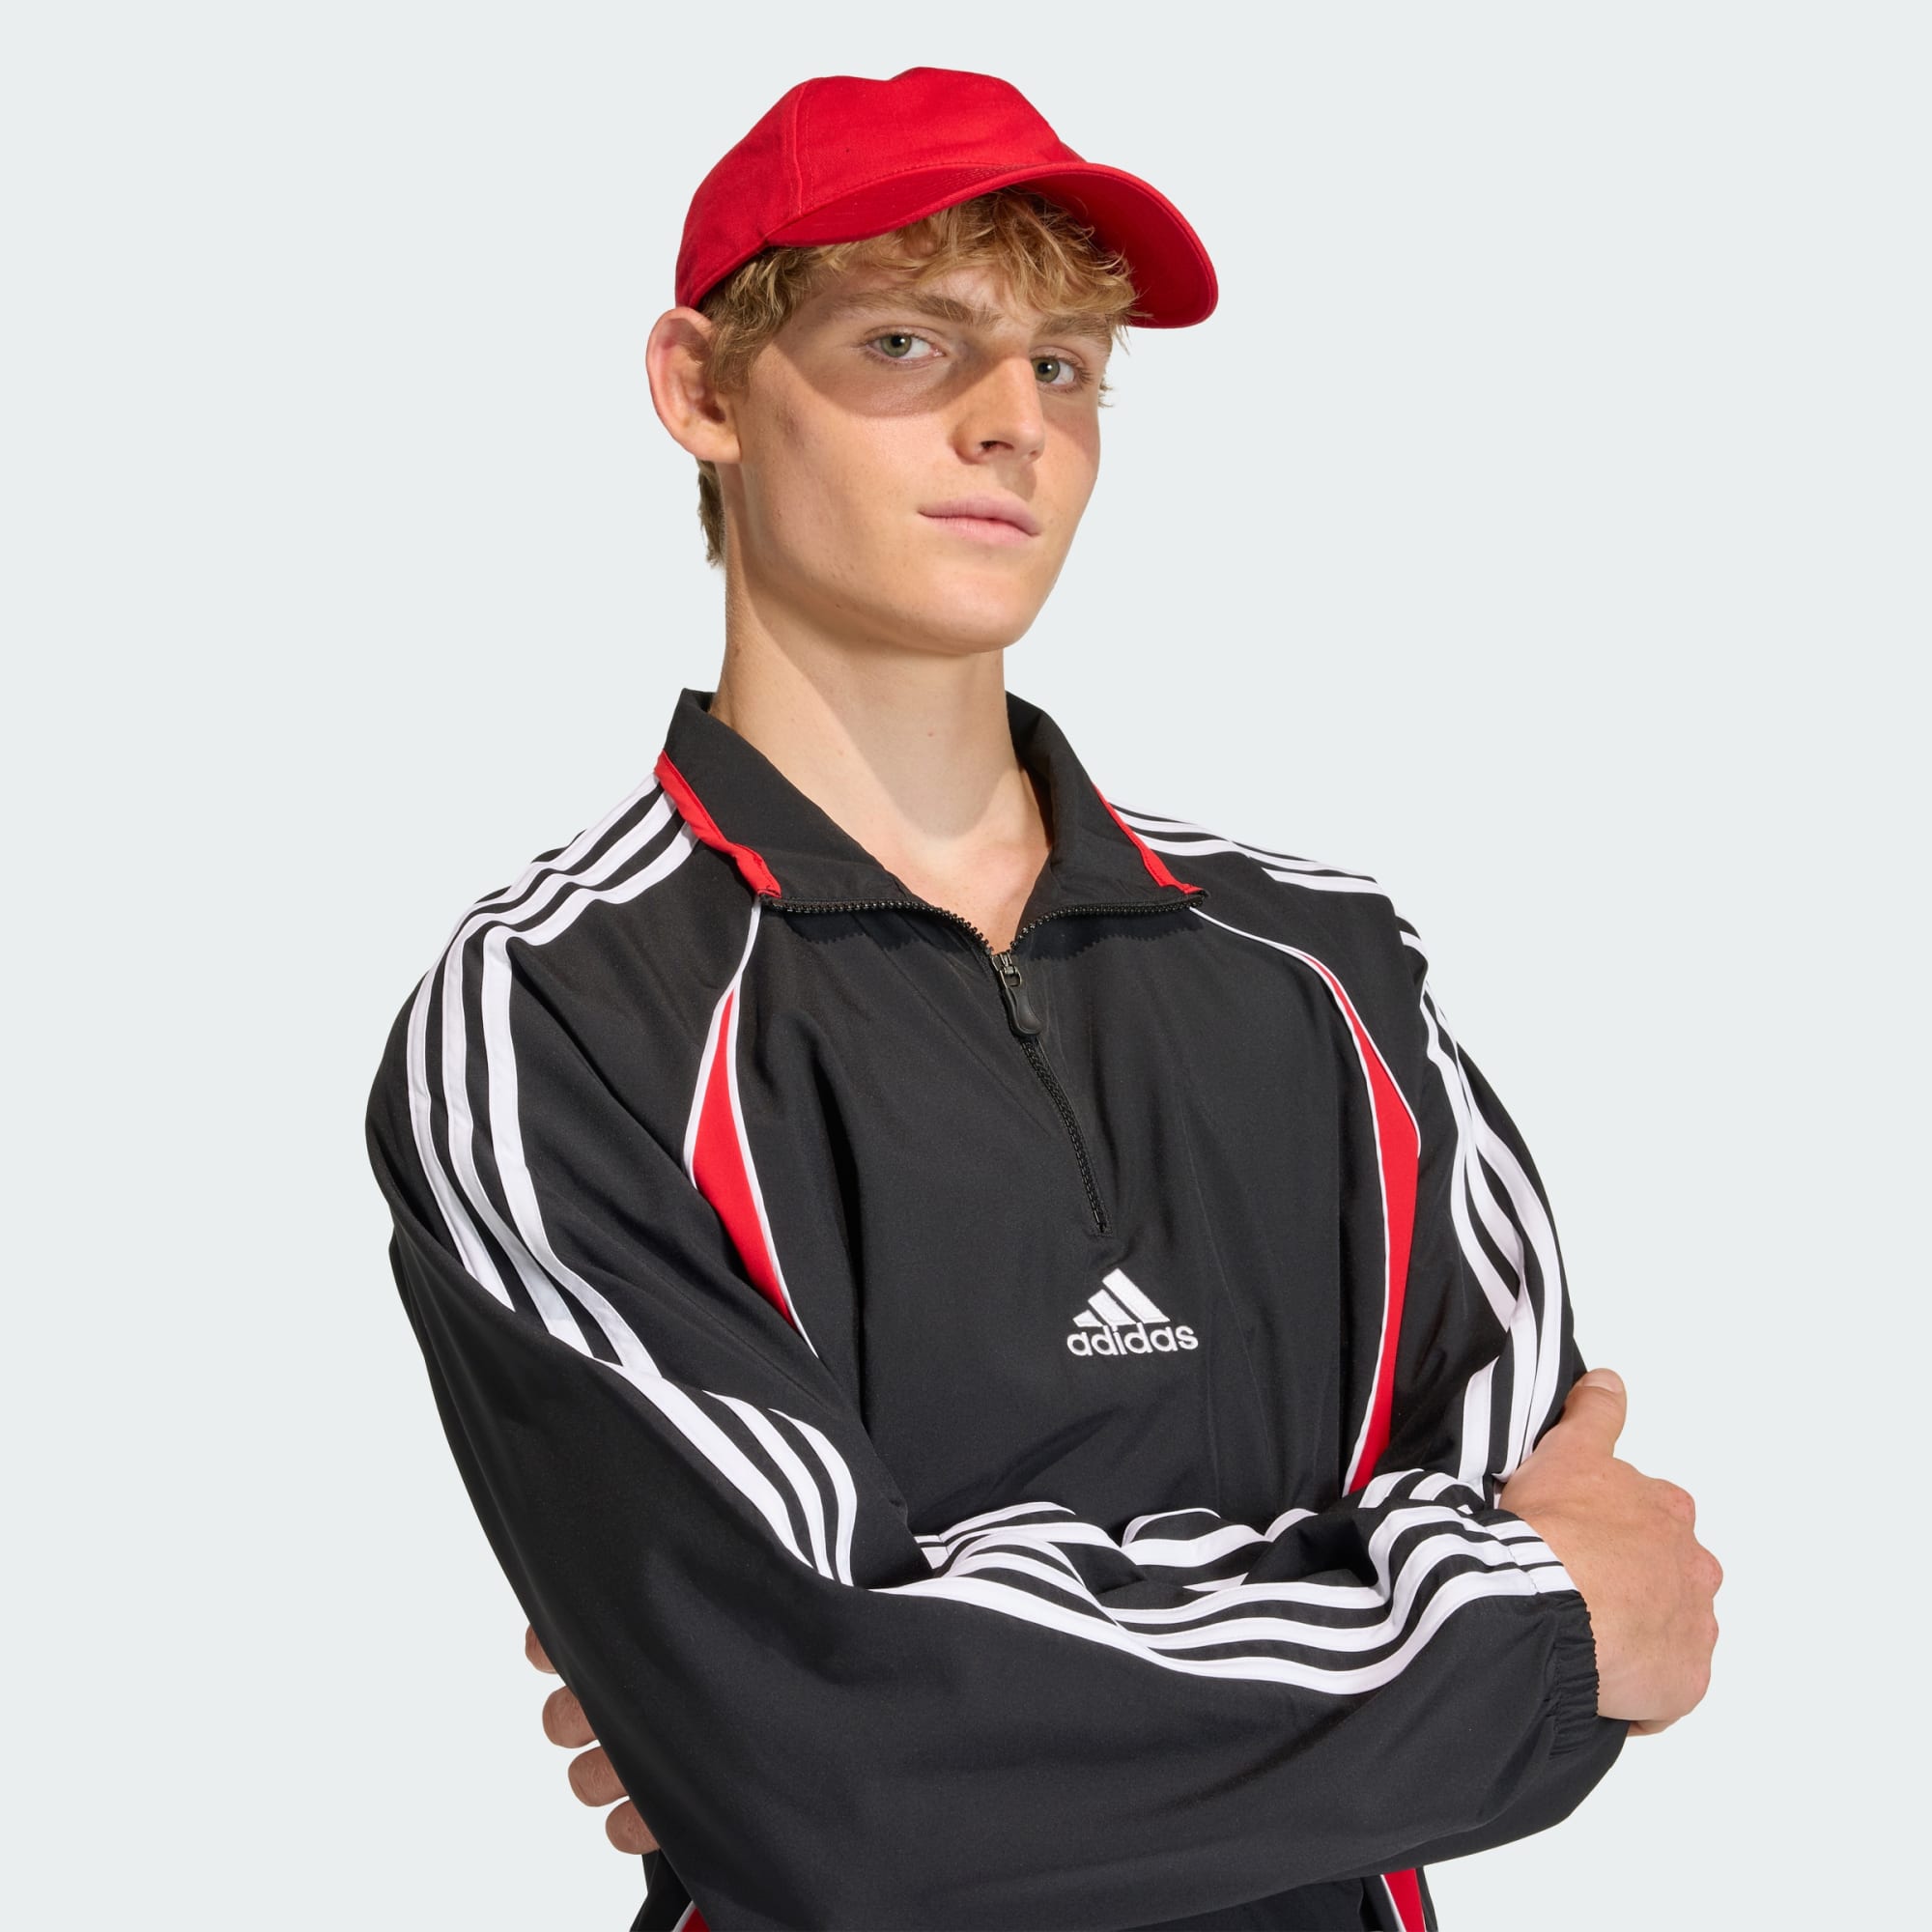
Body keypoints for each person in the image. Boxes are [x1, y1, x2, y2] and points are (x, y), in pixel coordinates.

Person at [362, 65, 1720, 1932]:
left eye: (1066, 366)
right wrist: (1474, 1634)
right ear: (702, 391)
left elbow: (1596, 1569)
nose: (1014, 422)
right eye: (910, 342)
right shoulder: (559, 1011)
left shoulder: (1329, 965)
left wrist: (939, 1691)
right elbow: (835, 1768)